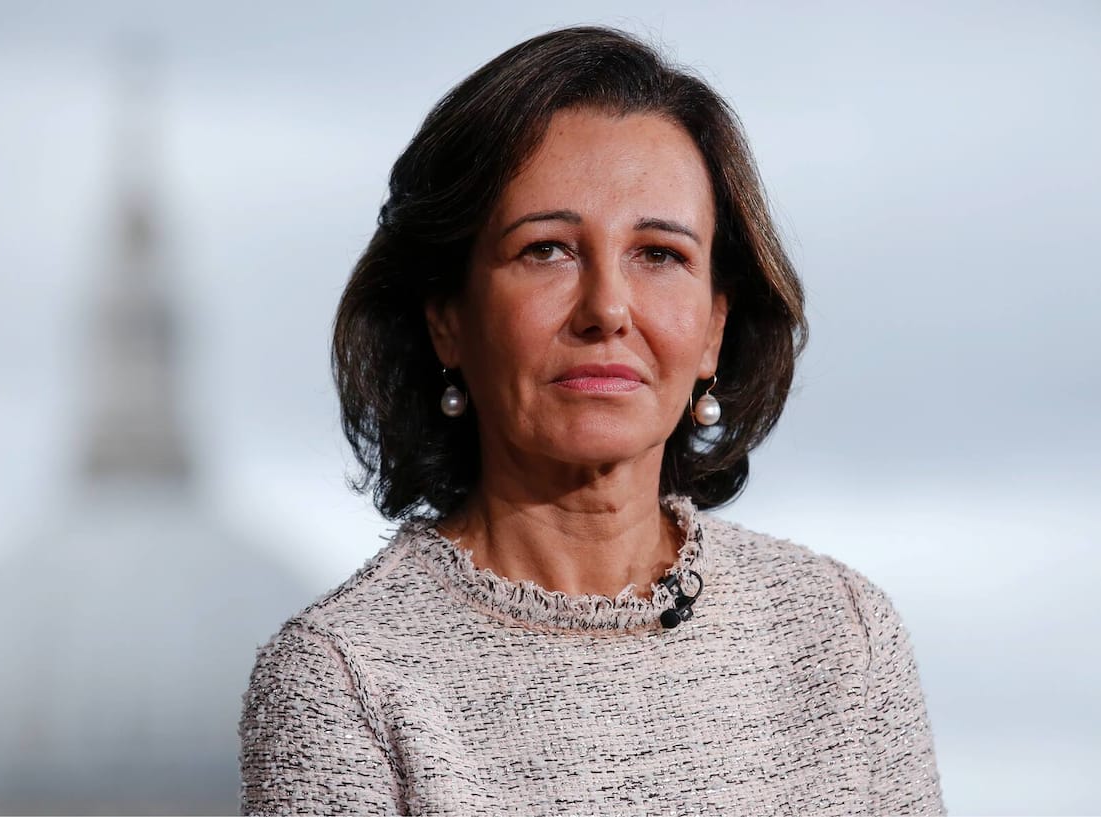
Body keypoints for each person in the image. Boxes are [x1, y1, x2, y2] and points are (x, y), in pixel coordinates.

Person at [239, 25, 944, 816]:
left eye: (659, 254)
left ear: (714, 325)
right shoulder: (346, 677)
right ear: (445, 317)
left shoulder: (840, 634)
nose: (606, 309)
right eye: (546, 250)